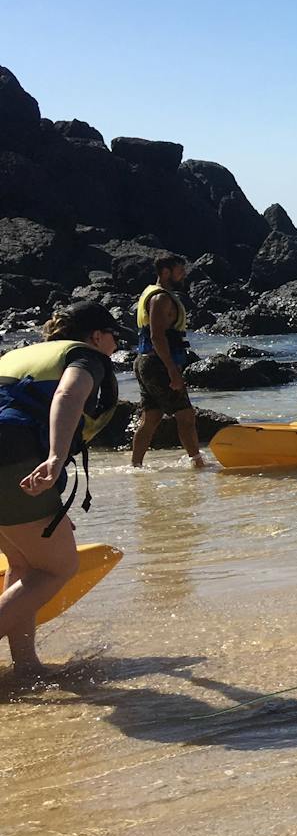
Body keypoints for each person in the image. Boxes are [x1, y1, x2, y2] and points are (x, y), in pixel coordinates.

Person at [0, 302, 122, 676]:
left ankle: (26, 665)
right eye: (114, 338)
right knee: (58, 567)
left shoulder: (17, 355)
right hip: (12, 458)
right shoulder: (87, 357)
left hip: (10, 462)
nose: (116, 346)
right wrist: (54, 458)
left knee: (23, 563)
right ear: (96, 336)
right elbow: (67, 396)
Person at [129, 253, 206, 469]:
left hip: (147, 362)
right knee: (186, 416)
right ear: (165, 272)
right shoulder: (160, 298)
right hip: (158, 364)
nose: (184, 274)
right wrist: (172, 370)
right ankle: (197, 463)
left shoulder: (155, 294)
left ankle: (136, 466)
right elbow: (157, 336)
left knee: (152, 417)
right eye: (180, 270)